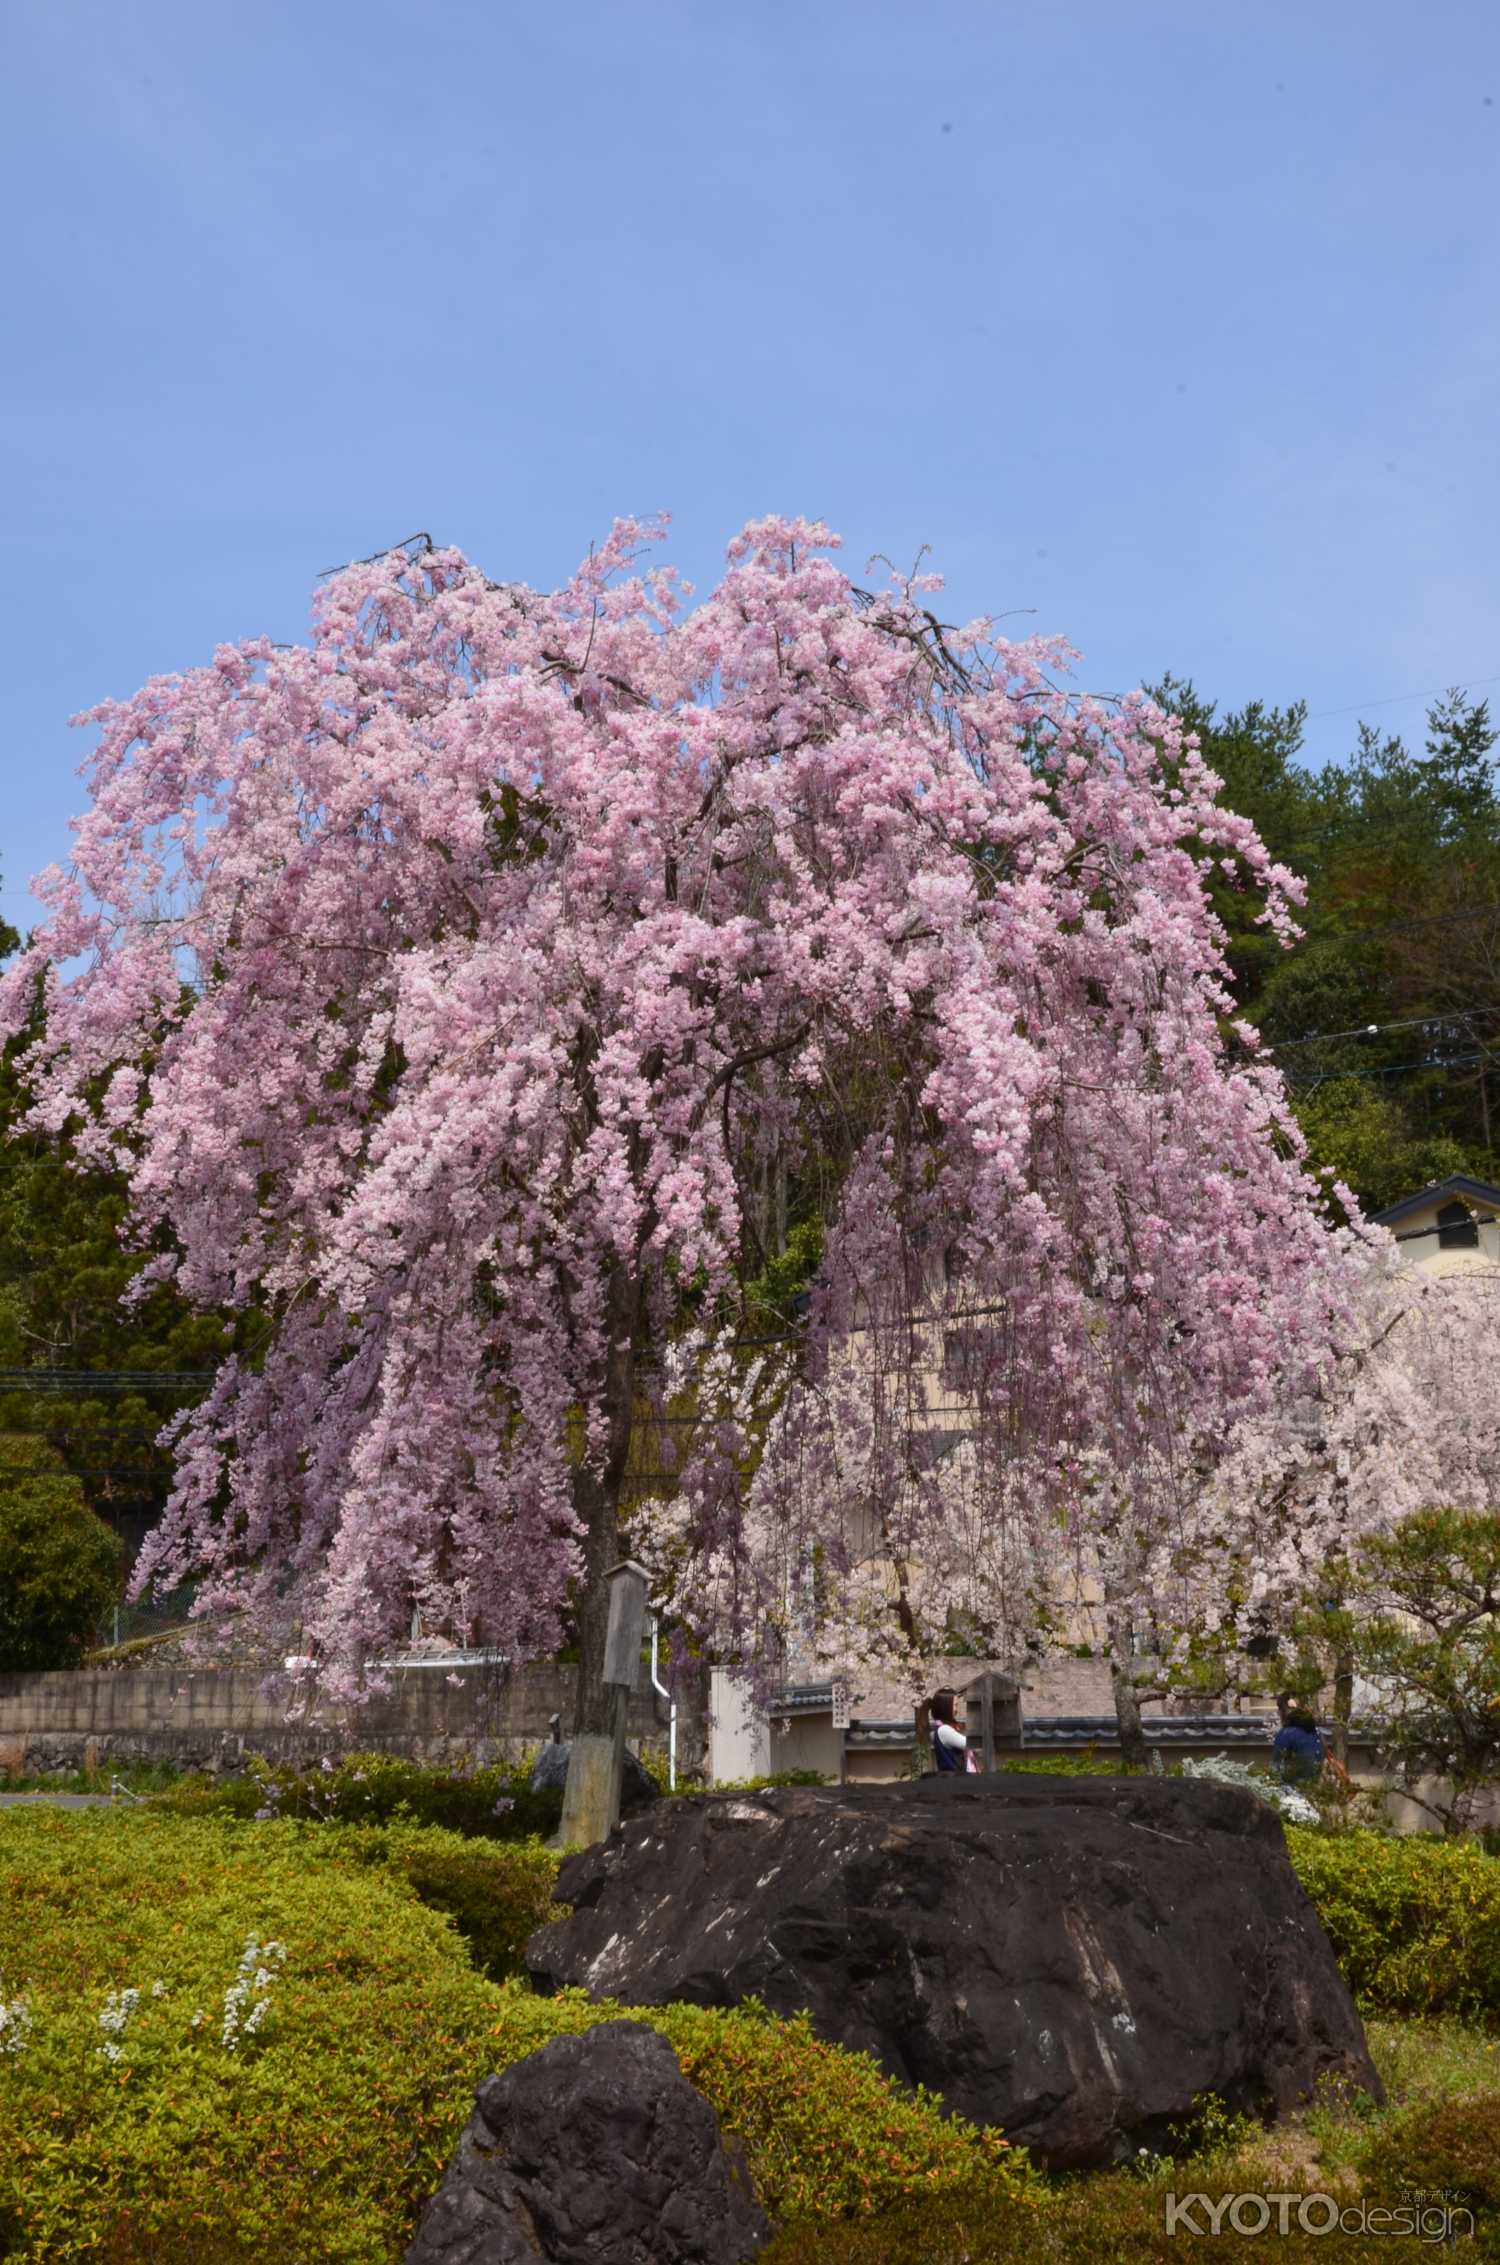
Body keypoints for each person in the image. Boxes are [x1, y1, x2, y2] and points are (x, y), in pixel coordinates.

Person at [1271, 1704, 1325, 1786]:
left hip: (1292, 1784)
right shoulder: (1317, 1733)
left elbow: (1276, 1762)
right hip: (1313, 1783)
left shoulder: (1286, 1733)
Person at [929, 1688, 978, 1774]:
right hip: (954, 1780)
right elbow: (971, 1743)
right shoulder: (944, 1730)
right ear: (945, 1707)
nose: (957, 1710)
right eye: (955, 1705)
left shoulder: (941, 1728)